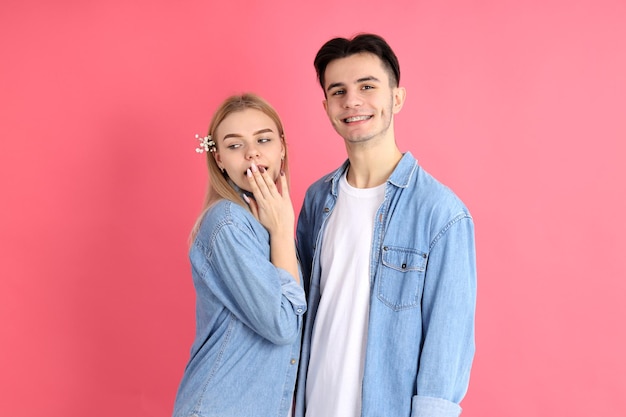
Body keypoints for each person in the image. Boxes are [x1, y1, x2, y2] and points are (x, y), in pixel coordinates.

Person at [294, 34, 477, 417]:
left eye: (367, 86)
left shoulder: (441, 214)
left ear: (396, 98)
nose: (352, 101)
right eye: (338, 91)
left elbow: (447, 348)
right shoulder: (316, 201)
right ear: (326, 106)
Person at [172, 93, 306, 417]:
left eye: (263, 139)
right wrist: (282, 231)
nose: (252, 153)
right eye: (234, 146)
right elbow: (283, 324)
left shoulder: (260, 221)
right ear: (219, 159)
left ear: (282, 147)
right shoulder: (227, 224)